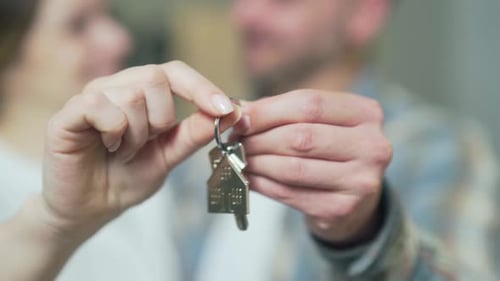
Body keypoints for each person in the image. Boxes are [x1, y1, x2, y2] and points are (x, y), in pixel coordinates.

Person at [0, 1, 496, 281]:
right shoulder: (194, 161)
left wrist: (367, 234)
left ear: (365, 12)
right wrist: (59, 221)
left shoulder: (441, 149)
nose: (245, 16)